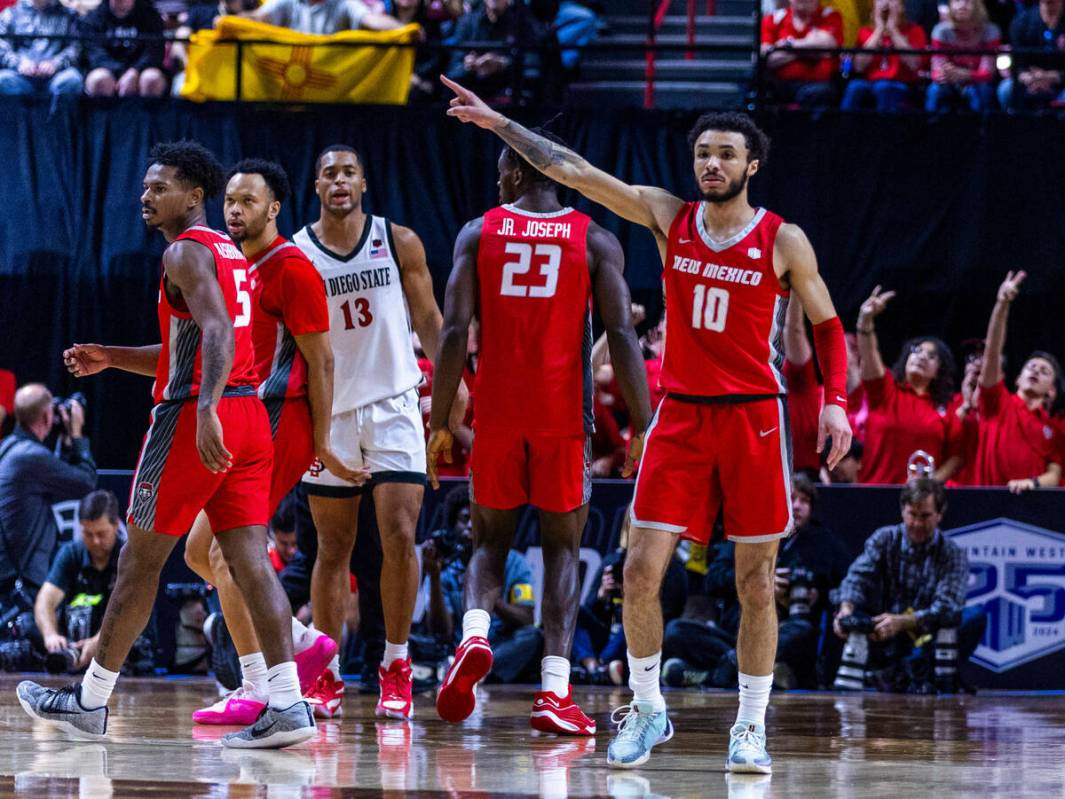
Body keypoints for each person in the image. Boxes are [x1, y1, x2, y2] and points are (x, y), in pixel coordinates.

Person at [442, 78, 852, 772]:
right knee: (637, 572)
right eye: (702, 155)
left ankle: (749, 724)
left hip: (754, 415)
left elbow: (828, 322)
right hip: (682, 416)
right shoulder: (668, 215)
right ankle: (645, 704)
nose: (711, 165)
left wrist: (835, 397)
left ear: (751, 165)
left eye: (725, 155)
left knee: (756, 582)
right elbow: (576, 171)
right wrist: (499, 124)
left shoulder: (783, 238)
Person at [20, 141, 315, 749]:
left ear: (194, 195)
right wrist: (111, 358)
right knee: (249, 561)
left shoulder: (184, 251)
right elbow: (203, 344)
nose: (145, 196)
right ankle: (288, 703)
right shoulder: (229, 252)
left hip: (193, 420)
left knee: (140, 561)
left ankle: (90, 702)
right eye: (145, 187)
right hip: (250, 415)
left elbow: (212, 331)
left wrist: (203, 409)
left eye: (160, 188)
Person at [427, 127, 652, 737]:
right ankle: (555, 690)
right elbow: (624, 340)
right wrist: (644, 425)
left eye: (504, 172)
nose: (500, 182)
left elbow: (452, 335)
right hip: (562, 418)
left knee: (487, 544)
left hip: (498, 413)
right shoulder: (597, 240)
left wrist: (442, 419)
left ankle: (474, 635)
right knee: (559, 550)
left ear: (520, 173)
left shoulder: (478, 232)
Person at [183, 159, 365, 727]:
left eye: (248, 201)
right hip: (246, 416)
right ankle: (300, 638)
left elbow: (323, 359)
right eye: (230, 201)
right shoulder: (236, 266)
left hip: (283, 419)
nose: (235, 210)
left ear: (275, 208)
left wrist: (327, 442)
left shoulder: (293, 267)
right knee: (197, 552)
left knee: (225, 554)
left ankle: (259, 686)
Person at [296, 144, 466, 721]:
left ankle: (396, 664)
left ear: (363, 181)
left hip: (395, 404)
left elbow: (431, 322)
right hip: (331, 412)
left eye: (348, 171)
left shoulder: (399, 240)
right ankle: (325, 671)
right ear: (316, 186)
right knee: (333, 549)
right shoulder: (297, 252)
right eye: (329, 174)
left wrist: (453, 385)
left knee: (399, 533)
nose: (339, 181)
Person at [664, 474, 849, 691]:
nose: (797, 506)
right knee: (676, 630)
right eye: (791, 498)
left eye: (804, 500)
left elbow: (846, 585)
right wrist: (757, 583)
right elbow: (714, 578)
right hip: (736, 633)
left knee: (804, 630)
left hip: (784, 633)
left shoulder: (825, 544)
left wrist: (818, 595)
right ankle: (741, 667)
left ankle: (720, 670)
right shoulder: (750, 531)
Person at [833, 478, 985, 693]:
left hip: (924, 640)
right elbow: (856, 577)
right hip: (879, 633)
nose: (917, 524)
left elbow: (948, 605)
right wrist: (846, 611)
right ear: (902, 511)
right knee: (840, 605)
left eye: (925, 516)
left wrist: (904, 622)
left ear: (939, 515)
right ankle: (901, 674)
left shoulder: (952, 553)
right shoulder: (884, 539)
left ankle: (901, 673)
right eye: (912, 515)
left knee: (973, 617)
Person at [422, 491, 543, 685]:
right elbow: (441, 631)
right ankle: (471, 667)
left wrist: (488, 593)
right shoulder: (443, 565)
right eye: (464, 519)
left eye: (476, 519)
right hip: (459, 647)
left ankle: (474, 671)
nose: (470, 525)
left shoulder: (515, 563)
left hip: (501, 645)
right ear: (453, 525)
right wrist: (434, 577)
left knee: (533, 637)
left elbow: (526, 618)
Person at [31, 491, 153, 675]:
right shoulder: (71, 554)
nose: (96, 541)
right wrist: (50, 635)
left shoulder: (129, 558)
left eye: (101, 533)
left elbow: (133, 608)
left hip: (124, 661)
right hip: (76, 657)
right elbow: (45, 600)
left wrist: (99, 642)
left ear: (115, 525)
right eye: (88, 534)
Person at [0, 385, 96, 611]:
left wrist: (64, 444)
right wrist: (76, 435)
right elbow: (86, 483)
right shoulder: (30, 457)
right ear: (46, 416)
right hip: (22, 584)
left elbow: (52, 480)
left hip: (9, 579)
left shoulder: (9, 448)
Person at [854, 285, 962, 484]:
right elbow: (869, 355)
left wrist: (930, 484)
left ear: (939, 371)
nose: (921, 356)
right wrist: (865, 320)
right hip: (874, 493)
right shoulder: (885, 390)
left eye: (931, 356)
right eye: (917, 350)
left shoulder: (946, 408)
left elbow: (956, 456)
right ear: (906, 358)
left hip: (919, 504)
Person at [974, 271, 1064, 490]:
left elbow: (1055, 473)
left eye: (1044, 371)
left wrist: (1031, 484)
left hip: (1030, 511)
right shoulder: (997, 403)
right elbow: (992, 353)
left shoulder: (1054, 428)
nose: (1035, 371)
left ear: (1051, 390)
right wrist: (1001, 306)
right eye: (1031, 367)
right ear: (1017, 379)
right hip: (987, 503)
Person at [444, 0, 546, 100]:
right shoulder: (467, 23)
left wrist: (502, 64)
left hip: (509, 90)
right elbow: (453, 69)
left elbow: (532, 64)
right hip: (473, 88)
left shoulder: (523, 23)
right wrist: (468, 66)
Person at [841, 0, 928, 113]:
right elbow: (859, 66)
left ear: (901, 8)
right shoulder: (865, 32)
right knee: (854, 87)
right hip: (869, 82)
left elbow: (914, 64)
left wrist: (893, 30)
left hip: (901, 83)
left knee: (883, 87)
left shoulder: (915, 30)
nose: (886, 4)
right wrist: (878, 31)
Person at [760, 0, 843, 108]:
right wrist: (810, 48)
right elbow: (767, 57)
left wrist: (788, 45)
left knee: (822, 93)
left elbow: (826, 46)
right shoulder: (774, 19)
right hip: (780, 86)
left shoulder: (831, 16)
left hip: (818, 85)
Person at [925, 0, 1001, 113]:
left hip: (977, 81)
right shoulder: (941, 31)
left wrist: (965, 75)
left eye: (967, 1)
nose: (962, 6)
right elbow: (937, 72)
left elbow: (988, 73)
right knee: (935, 90)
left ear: (977, 6)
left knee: (984, 91)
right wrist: (947, 74)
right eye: (956, 1)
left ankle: (983, 129)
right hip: (950, 81)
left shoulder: (991, 31)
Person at [82, 0, 168, 98]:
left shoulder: (151, 16)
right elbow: (94, 53)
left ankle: (147, 113)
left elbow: (153, 52)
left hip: (140, 69)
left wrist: (134, 71)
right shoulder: (94, 17)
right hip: (107, 68)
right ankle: (104, 113)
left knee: (151, 78)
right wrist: (120, 72)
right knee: (99, 79)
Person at [0, 0, 83, 97]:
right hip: (19, 75)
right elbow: (2, 46)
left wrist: (56, 63)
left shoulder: (70, 15)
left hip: (58, 75)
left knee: (72, 79)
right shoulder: (10, 14)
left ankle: (56, 112)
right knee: (3, 79)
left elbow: (76, 47)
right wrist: (19, 63)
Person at [997, 0, 1065, 111]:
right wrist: (1027, 77)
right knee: (1005, 89)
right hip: (1028, 79)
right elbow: (1015, 62)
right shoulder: (1021, 22)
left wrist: (1053, 76)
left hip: (1060, 81)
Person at [249, 0, 401, 33]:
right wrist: (227, 22)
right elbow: (258, 17)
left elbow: (371, 19)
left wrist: (404, 29)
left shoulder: (345, 3)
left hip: (332, 97)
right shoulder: (287, 2)